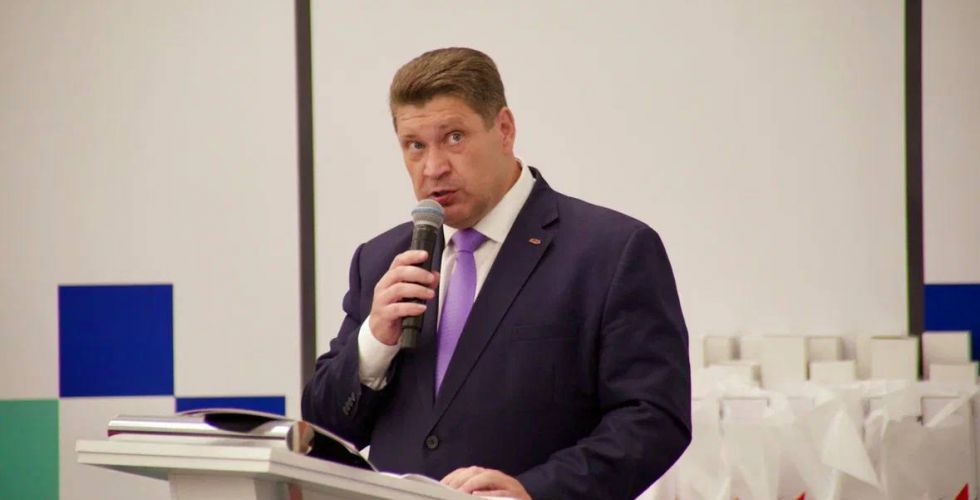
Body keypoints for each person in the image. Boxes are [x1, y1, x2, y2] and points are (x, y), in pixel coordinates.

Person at [302, 47, 691, 500]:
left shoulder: (611, 251)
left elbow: (653, 418)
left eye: (454, 138)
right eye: (415, 146)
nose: (433, 168)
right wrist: (374, 341)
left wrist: (535, 491)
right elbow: (325, 428)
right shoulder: (382, 259)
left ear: (504, 129)